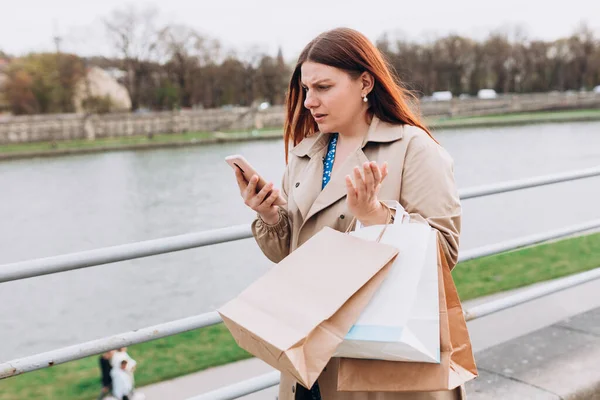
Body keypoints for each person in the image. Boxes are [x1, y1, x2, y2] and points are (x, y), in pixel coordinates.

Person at [233, 28, 464, 400]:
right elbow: (290, 258)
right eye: (306, 89)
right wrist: (272, 217)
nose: (309, 101)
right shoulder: (306, 154)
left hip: (380, 363)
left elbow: (445, 254)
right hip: (307, 356)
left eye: (323, 87)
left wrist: (377, 216)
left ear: (365, 83)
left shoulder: (414, 149)